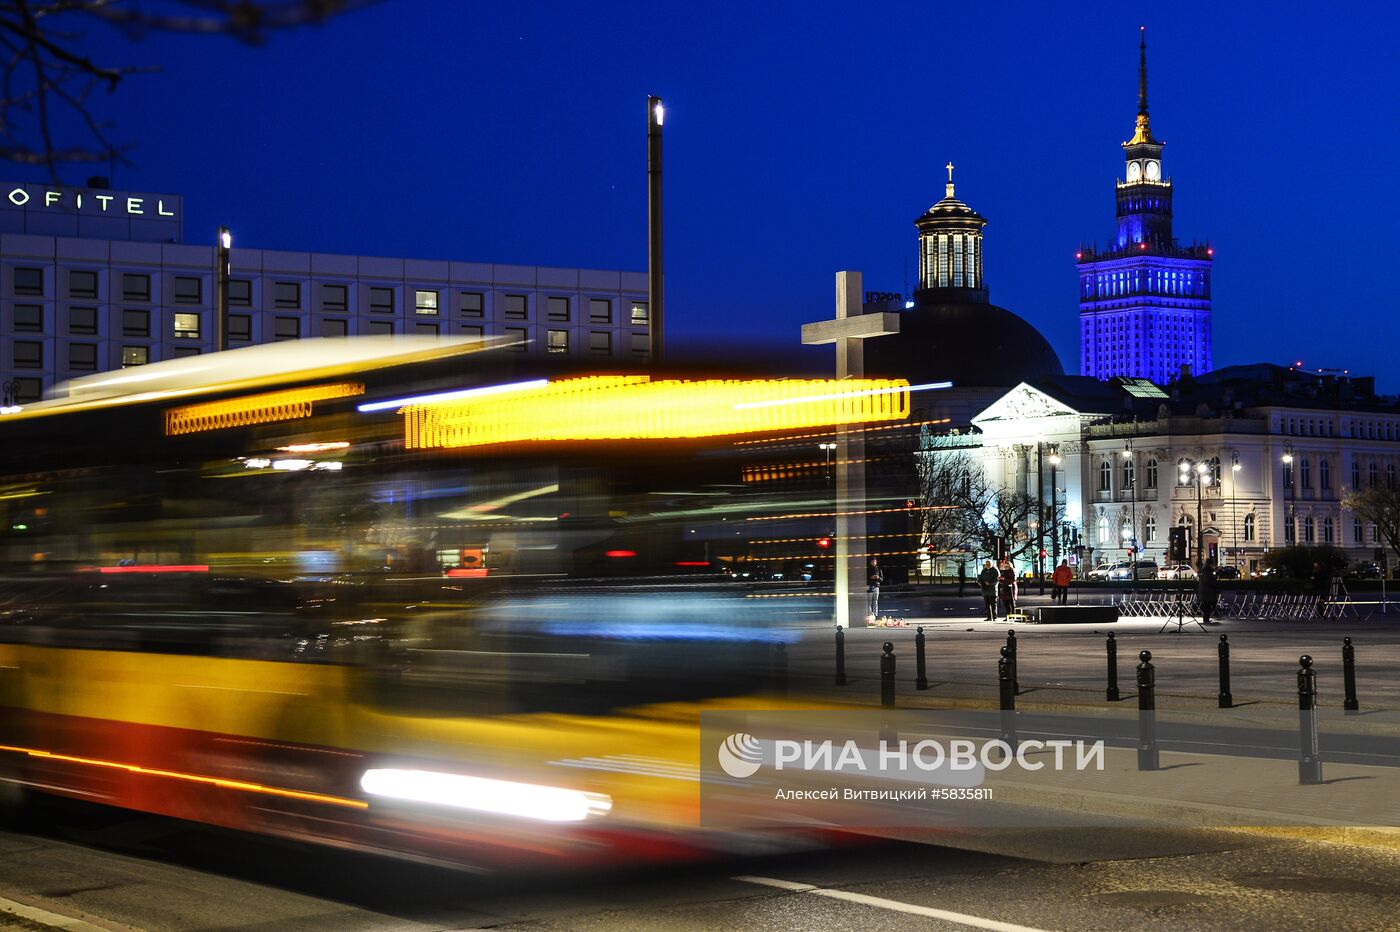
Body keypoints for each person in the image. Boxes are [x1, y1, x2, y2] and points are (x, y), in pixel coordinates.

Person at [1198, 558, 1219, 625]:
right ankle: (1206, 619)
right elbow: (1208, 580)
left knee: (1206, 605)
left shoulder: (1204, 570)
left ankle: (1206, 619)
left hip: (1204, 590)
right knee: (1208, 605)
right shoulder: (1208, 570)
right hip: (1208, 590)